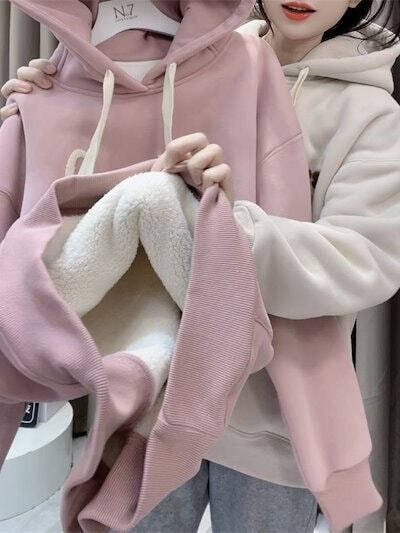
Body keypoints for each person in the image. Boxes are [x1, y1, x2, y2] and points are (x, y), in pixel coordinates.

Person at [2, 1, 400, 532]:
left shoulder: (368, 113)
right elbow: (122, 204)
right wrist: (59, 106)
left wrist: (223, 231)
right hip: (154, 406)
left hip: (274, 423)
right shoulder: (185, 64)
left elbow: (366, 258)